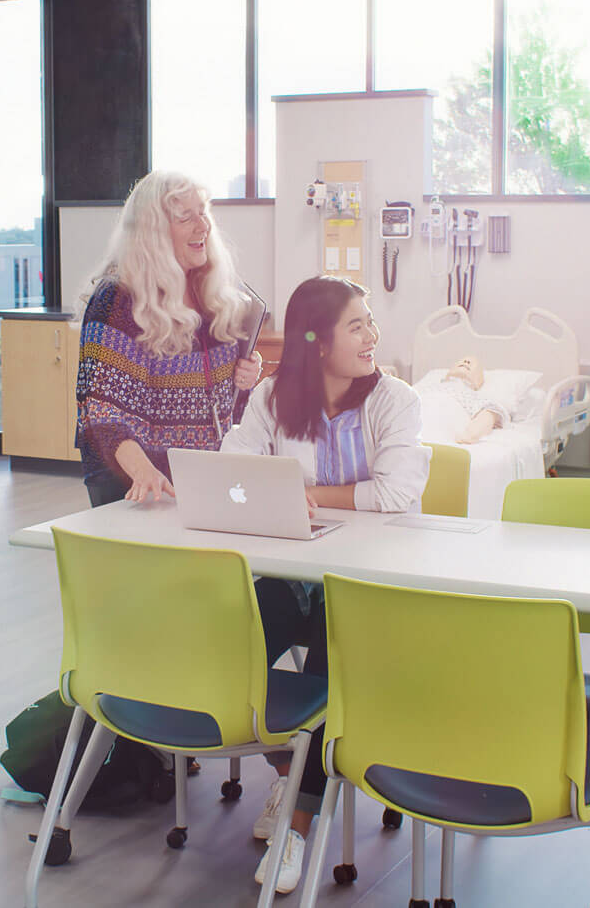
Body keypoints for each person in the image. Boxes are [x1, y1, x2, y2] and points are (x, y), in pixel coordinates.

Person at [219, 275, 430, 894]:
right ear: (317, 342)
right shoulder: (271, 398)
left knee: (324, 661)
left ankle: (297, 827)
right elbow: (235, 466)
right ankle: (291, 770)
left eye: (371, 322)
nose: (373, 336)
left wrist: (305, 495)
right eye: (358, 325)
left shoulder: (396, 401)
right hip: (293, 567)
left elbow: (395, 492)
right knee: (234, 648)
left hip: (369, 583)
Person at [72, 170, 264, 508]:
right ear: (153, 233)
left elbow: (222, 403)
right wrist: (142, 471)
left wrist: (243, 380)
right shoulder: (116, 298)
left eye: (203, 212)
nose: (202, 226)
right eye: (185, 217)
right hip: (134, 480)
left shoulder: (212, 295)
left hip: (200, 475)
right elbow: (98, 408)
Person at [424, 354, 509, 443]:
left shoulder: (475, 397)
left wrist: (470, 435)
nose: (466, 362)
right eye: (462, 361)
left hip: (436, 425)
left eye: (473, 365)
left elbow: (488, 416)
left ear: (479, 381)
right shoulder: (426, 388)